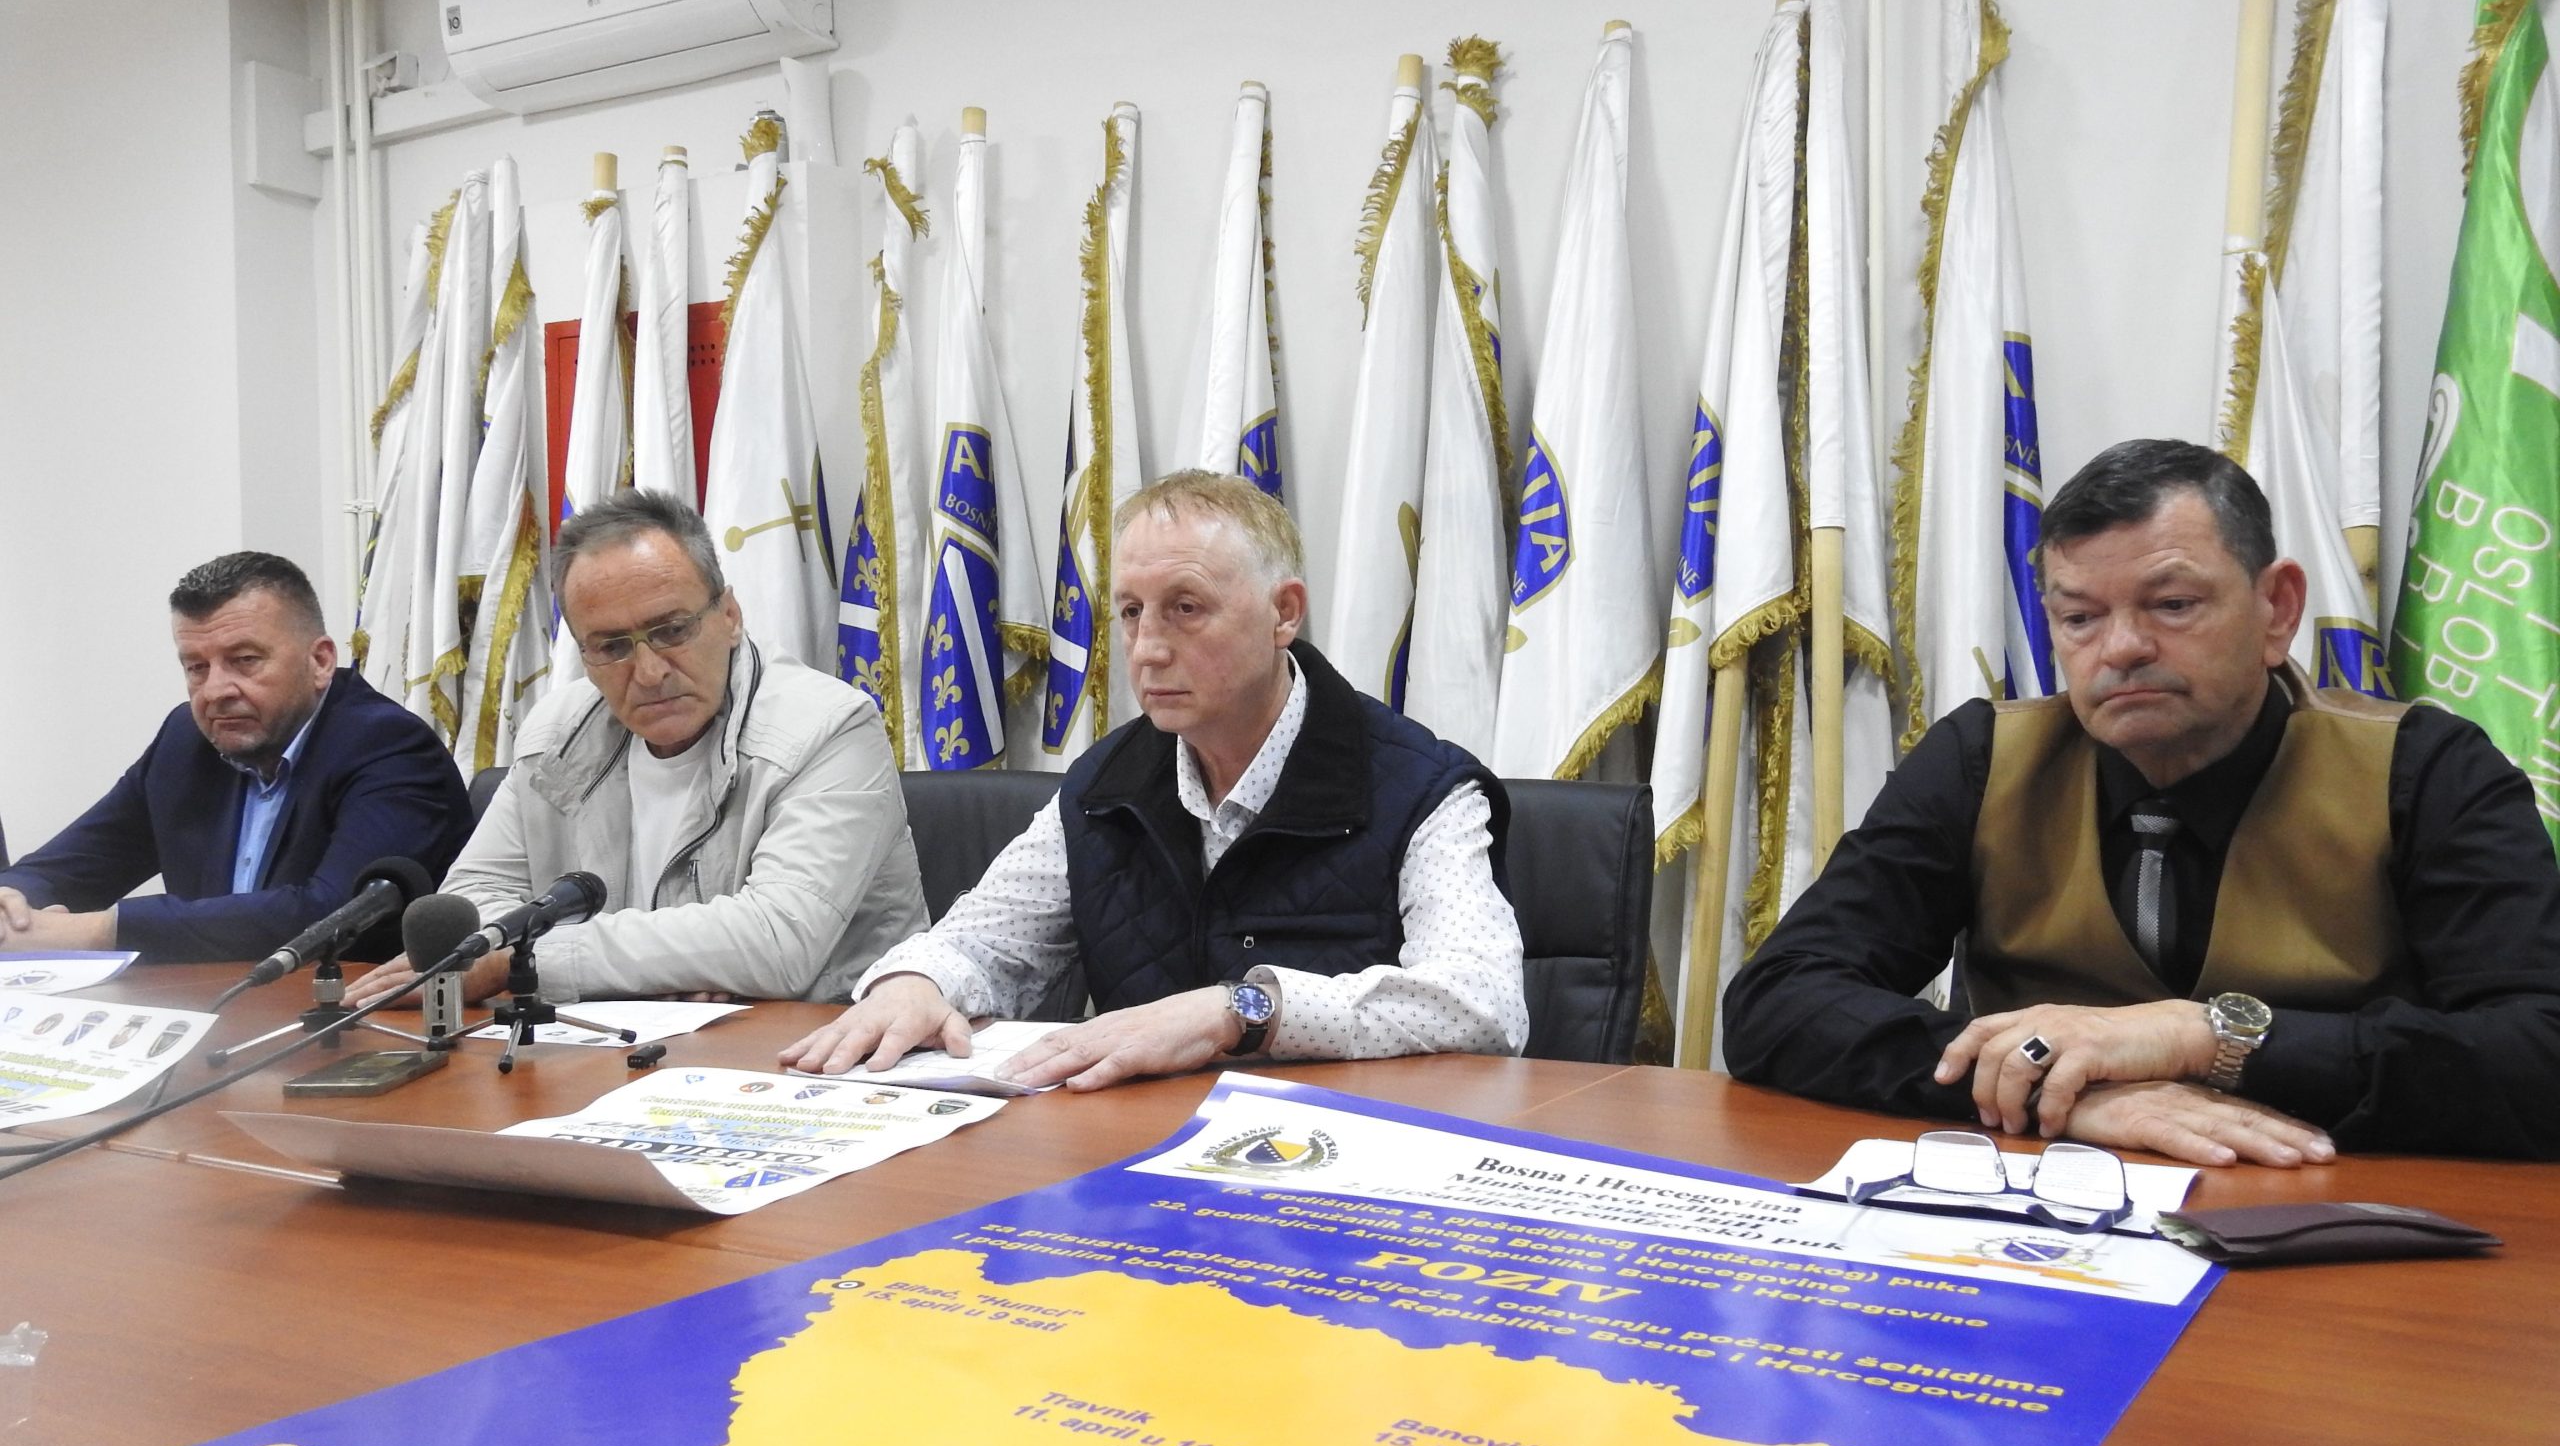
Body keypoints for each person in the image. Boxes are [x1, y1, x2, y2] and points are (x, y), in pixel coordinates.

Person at [1723, 438, 2560, 1164]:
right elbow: (1779, 1002)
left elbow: (2540, 1055)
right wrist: (2061, 1089)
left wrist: (2207, 1036)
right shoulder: (1981, 760)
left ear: (2277, 609)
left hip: (2339, 1198)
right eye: (2080, 618)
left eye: (2172, 605)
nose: (2121, 648)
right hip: (2052, 1200)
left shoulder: (2425, 770)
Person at [780, 471, 1527, 1089]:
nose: (1147, 650)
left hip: (1341, 1167)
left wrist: (1238, 1011)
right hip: (1137, 1158)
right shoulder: (1106, 784)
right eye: (1133, 613)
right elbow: (983, 941)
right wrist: (915, 983)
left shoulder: (1422, 788)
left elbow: (1485, 1003)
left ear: (1283, 614)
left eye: (1186, 609)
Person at [350, 492, 927, 1009]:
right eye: (612, 647)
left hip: (817, 1050)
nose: (649, 672)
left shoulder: (829, 727)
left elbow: (777, 940)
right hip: (618, 1050)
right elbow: (473, 899)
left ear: (729, 616)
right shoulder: (557, 735)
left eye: (672, 630)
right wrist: (669, 965)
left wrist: (529, 962)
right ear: (582, 653)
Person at [0, 552, 472, 963]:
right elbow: (73, 864)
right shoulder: (186, 739)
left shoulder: (390, 747)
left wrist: (98, 931)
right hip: (214, 1007)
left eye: (245, 660)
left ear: (321, 661)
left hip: (353, 1016)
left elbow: (330, 915)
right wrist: (13, 902)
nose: (216, 691)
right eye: (196, 667)